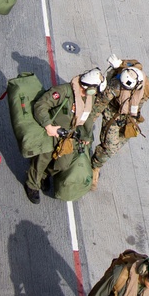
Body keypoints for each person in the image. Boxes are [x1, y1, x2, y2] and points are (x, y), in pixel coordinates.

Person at [25, 68, 104, 203]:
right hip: (52, 131)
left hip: (68, 136)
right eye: (95, 90)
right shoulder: (64, 92)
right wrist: (48, 126)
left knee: (63, 164)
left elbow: (88, 117)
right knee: (42, 159)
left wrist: (86, 136)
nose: (96, 93)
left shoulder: (88, 99)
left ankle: (44, 174)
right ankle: (32, 184)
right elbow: (40, 105)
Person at [90, 59, 149, 186]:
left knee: (119, 143)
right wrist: (87, 123)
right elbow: (100, 104)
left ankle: (100, 157)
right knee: (110, 148)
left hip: (131, 119)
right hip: (113, 115)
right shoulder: (116, 84)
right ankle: (94, 166)